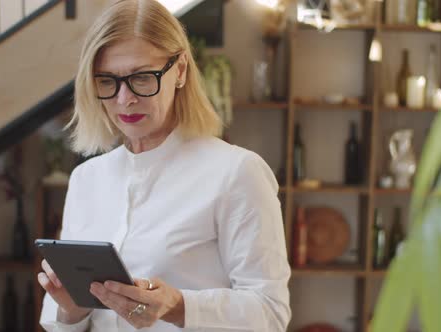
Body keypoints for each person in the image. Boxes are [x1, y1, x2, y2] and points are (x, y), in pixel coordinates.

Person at [38, 0, 291, 331]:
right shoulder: (87, 178)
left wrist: (177, 306)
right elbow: (59, 323)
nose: (124, 99)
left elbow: (271, 313)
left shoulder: (237, 172)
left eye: (142, 77)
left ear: (181, 70)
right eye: (107, 81)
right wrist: (71, 312)